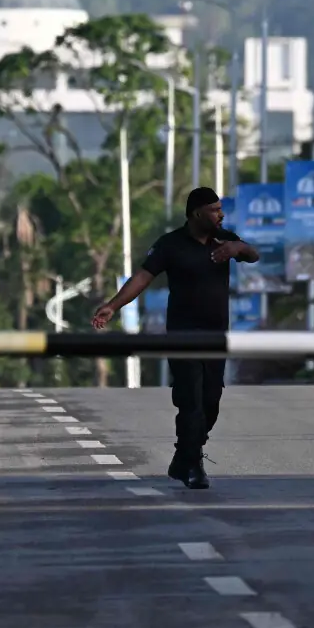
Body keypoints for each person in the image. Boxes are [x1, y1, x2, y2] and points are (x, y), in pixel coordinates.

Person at [92, 187, 258, 489]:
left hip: (216, 337)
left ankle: (183, 456)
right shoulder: (170, 245)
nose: (221, 214)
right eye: (214, 210)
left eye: (221, 209)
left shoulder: (226, 239)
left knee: (211, 402)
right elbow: (142, 277)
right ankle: (193, 465)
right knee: (191, 401)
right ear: (197, 214)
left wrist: (237, 249)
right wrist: (112, 306)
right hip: (182, 335)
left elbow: (253, 254)